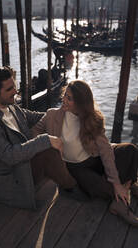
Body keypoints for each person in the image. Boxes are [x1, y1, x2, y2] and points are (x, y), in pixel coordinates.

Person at [32, 79, 138, 226]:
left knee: (130, 150)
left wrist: (116, 183)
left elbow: (106, 151)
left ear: (81, 103)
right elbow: (35, 131)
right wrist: (48, 140)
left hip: (94, 158)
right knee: (96, 187)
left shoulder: (92, 119)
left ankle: (125, 186)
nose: (64, 100)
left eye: (70, 98)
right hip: (75, 168)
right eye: (65, 96)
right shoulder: (52, 115)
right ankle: (124, 192)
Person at [0, 66, 82, 209]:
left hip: (26, 166)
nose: (15, 91)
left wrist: (63, 114)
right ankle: (75, 187)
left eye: (14, 86)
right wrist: (45, 140)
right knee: (49, 151)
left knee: (57, 139)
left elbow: (39, 117)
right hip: (12, 179)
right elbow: (9, 155)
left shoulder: (11, 107)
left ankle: (79, 178)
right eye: (9, 89)